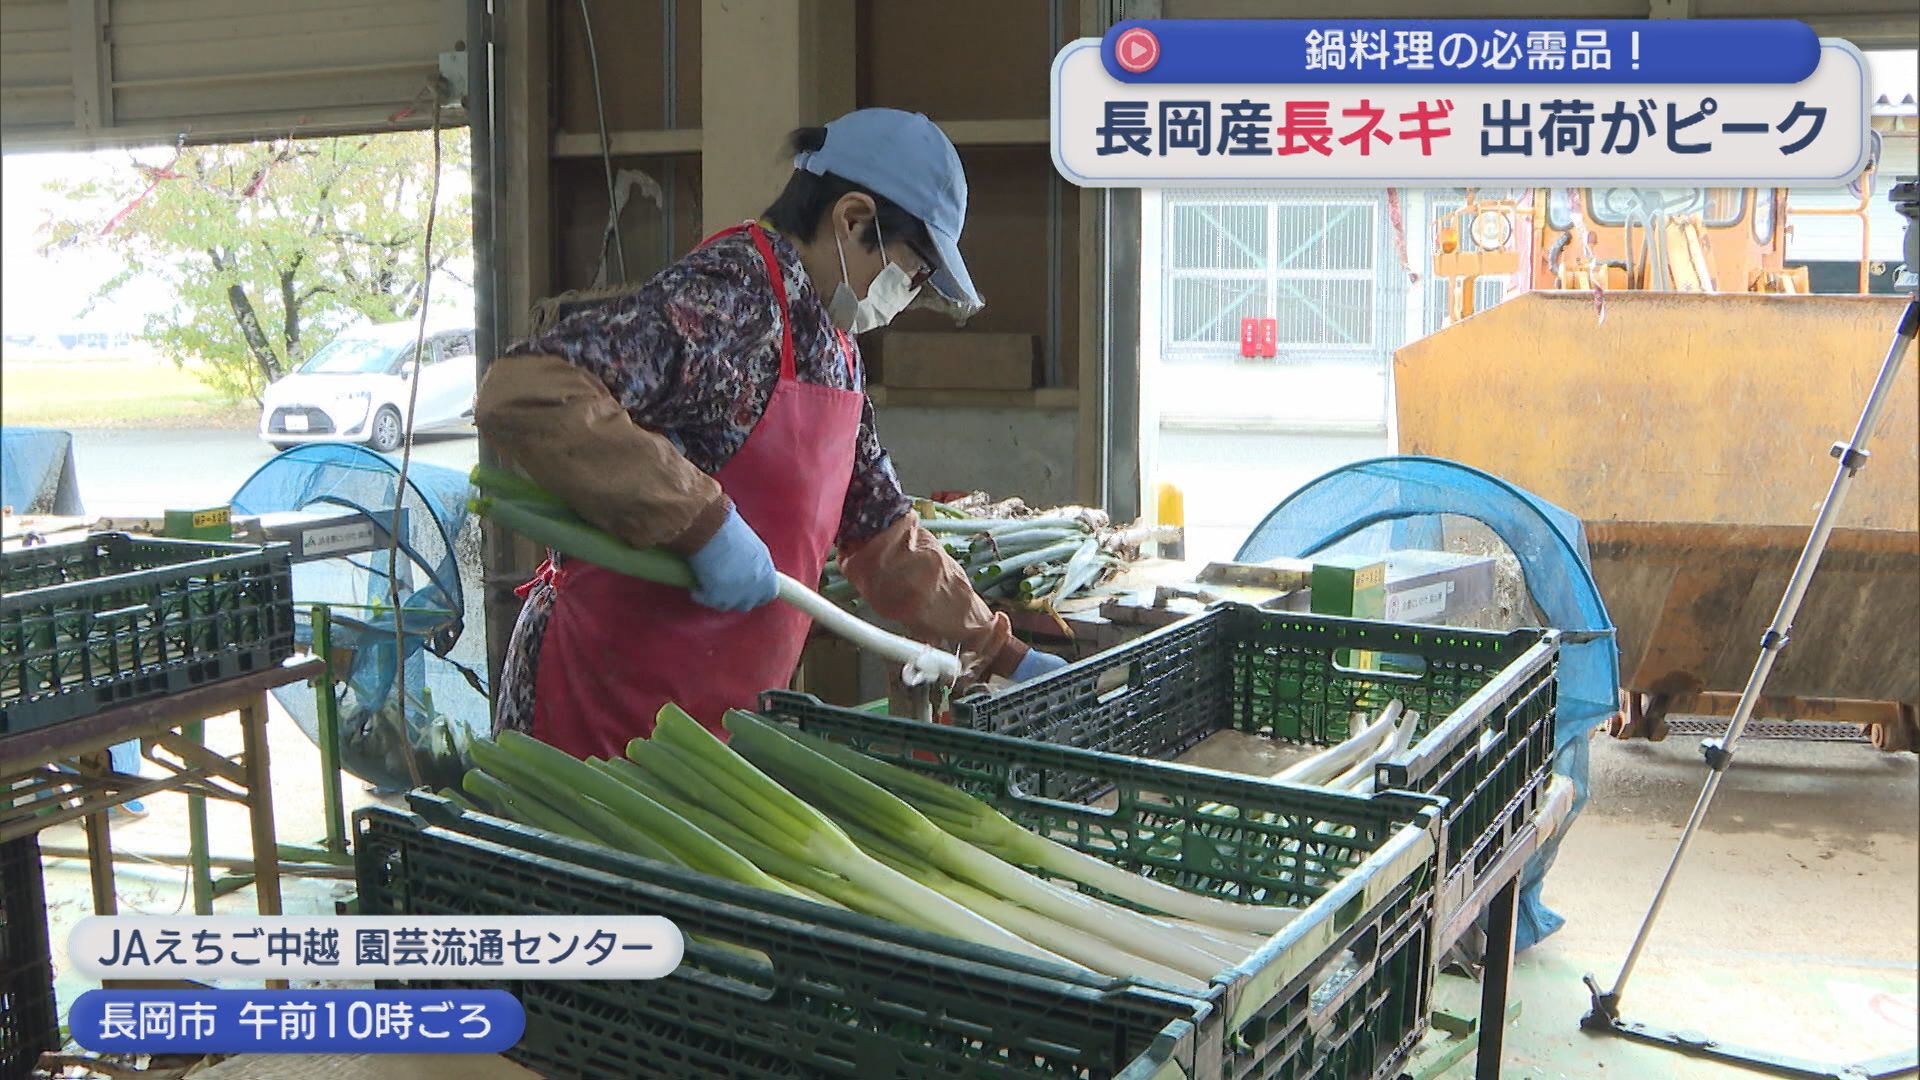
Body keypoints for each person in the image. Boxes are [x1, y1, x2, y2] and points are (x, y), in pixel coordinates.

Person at [476, 108, 1068, 759]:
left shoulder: (835, 346)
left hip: (712, 719)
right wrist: (699, 521)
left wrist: (1000, 650)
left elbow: (880, 532)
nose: (910, 294)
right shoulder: (732, 299)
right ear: (852, 219)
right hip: (604, 706)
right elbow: (525, 391)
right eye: (915, 270)